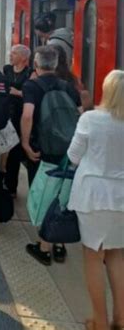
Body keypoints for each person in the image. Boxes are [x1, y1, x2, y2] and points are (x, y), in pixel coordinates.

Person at [67, 70, 124, 330]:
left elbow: (73, 156)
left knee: (93, 257)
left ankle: (99, 321)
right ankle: (120, 319)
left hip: (93, 197)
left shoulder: (91, 119)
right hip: (121, 198)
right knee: (116, 256)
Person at [21, 45, 82, 265]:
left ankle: (44, 248)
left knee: (44, 196)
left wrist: (26, 143)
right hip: (68, 152)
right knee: (63, 196)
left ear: (36, 65)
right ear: (56, 65)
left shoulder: (32, 85)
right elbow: (80, 116)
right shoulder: (68, 87)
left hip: (43, 149)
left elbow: (27, 115)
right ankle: (60, 245)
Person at [2, 44, 32, 197]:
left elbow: (31, 94)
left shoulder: (30, 73)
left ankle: (11, 186)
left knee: (14, 150)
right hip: (5, 112)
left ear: (23, 58)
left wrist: (17, 92)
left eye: (14, 53)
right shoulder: (6, 69)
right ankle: (1, 179)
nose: (10, 55)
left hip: (20, 115)